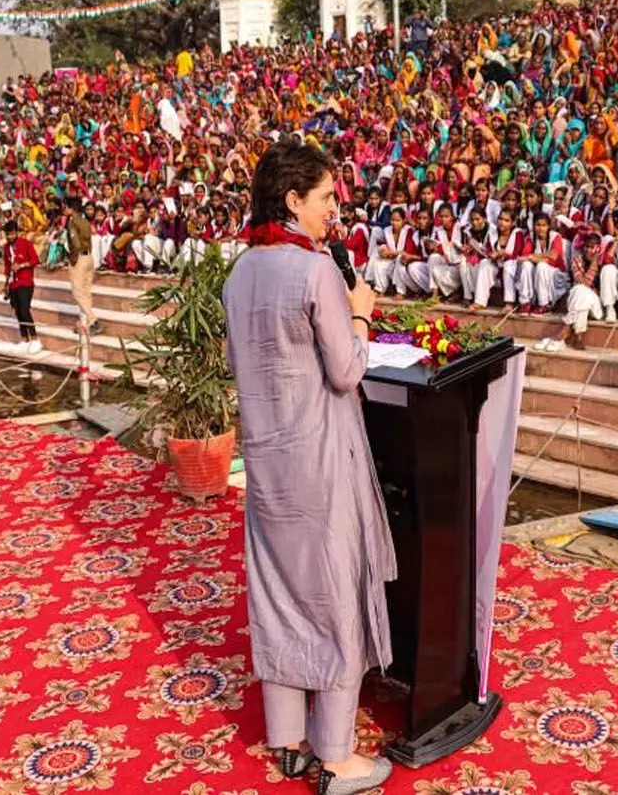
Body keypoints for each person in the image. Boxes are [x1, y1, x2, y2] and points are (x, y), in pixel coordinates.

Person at [221, 140, 395, 794]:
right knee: (333, 600)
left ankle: (288, 741)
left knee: (280, 597)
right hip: (321, 463)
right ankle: (336, 753)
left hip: (265, 464)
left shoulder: (240, 273)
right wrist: (359, 313)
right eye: (325, 198)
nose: (334, 210)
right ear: (293, 201)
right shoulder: (315, 269)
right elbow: (347, 372)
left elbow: (244, 369)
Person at [2, 220, 42, 354]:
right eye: (8, 235)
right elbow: (7, 267)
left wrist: (22, 265)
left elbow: (36, 260)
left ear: (17, 233)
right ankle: (24, 339)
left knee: (25, 310)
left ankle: (35, 339)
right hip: (13, 283)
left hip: (26, 282)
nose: (10, 237)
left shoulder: (26, 244)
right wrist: (5, 284)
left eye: (12, 234)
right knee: (18, 311)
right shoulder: (6, 248)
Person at [64, 196, 101, 335]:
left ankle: (93, 319)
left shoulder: (72, 222)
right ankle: (87, 323)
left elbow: (75, 242)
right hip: (89, 257)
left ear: (71, 208)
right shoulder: (85, 221)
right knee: (86, 291)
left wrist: (73, 259)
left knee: (77, 292)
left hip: (79, 258)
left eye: (66, 207)